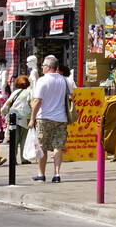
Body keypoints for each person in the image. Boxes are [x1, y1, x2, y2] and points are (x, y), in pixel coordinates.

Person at [30, 55, 70, 183]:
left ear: (48, 67)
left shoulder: (42, 80)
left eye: (43, 66)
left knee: (42, 147)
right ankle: (57, 174)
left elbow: (37, 101)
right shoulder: (65, 80)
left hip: (44, 118)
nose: (41, 68)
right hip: (61, 118)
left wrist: (32, 118)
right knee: (58, 146)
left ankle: (41, 174)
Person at [5, 74, 33, 164]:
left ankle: (13, 159)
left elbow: (8, 103)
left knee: (14, 139)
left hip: (14, 117)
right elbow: (32, 104)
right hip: (25, 118)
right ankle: (24, 158)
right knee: (24, 138)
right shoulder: (29, 92)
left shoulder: (15, 92)